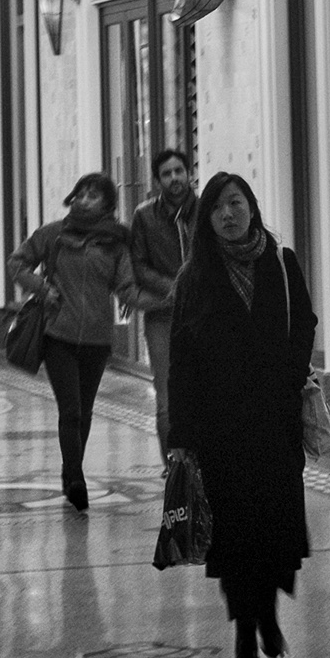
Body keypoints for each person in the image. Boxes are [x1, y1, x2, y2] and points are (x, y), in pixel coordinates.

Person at [168, 172, 316, 658]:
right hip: (220, 428)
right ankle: (245, 630)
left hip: (275, 422)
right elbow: (181, 361)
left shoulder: (281, 262)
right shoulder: (194, 279)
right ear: (206, 220)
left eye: (235, 203)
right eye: (217, 208)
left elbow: (305, 323)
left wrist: (290, 375)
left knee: (274, 525)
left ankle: (267, 614)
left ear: (251, 207)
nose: (228, 214)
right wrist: (181, 434)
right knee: (233, 531)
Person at [10, 172, 139, 510]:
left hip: (97, 338)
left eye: (92, 195)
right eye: (80, 194)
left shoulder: (116, 242)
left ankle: (70, 472)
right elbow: (17, 263)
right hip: (58, 334)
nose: (83, 200)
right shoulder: (53, 234)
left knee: (85, 411)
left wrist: (156, 299)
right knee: (70, 409)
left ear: (108, 203)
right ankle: (76, 477)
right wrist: (42, 288)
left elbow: (125, 284)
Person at [128, 146, 196, 455]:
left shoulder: (206, 210)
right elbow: (138, 265)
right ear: (157, 181)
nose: (174, 178)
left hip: (201, 314)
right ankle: (172, 465)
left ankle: (204, 463)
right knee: (167, 397)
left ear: (189, 173)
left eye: (179, 171)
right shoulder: (144, 216)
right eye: (166, 174)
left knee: (204, 390)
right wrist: (172, 288)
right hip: (162, 316)